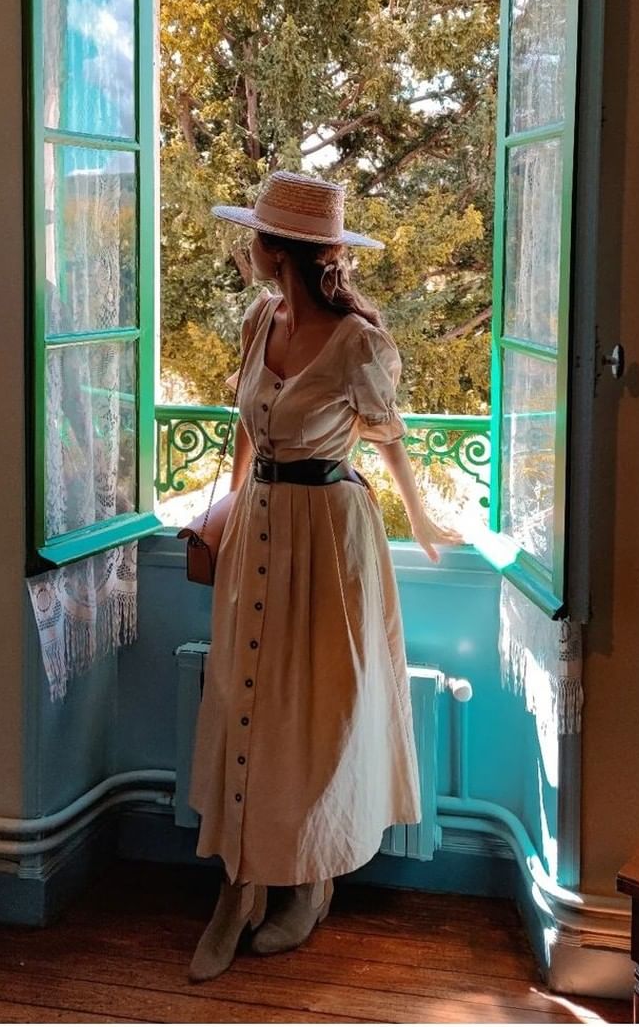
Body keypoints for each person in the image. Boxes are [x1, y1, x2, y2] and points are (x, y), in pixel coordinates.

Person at [187, 170, 462, 982]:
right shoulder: (258, 319)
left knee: (314, 715)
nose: (247, 247)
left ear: (280, 251)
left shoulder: (356, 342)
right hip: (260, 527)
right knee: (242, 700)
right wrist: (230, 506)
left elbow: (388, 436)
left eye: (255, 236)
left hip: (329, 539)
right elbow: (246, 428)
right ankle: (237, 889)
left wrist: (419, 517)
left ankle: (308, 885)